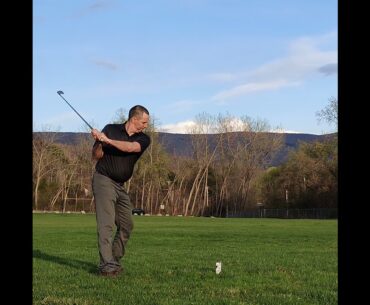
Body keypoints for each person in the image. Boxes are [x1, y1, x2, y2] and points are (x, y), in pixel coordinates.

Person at [90, 105, 150, 276]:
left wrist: (108, 140)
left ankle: (114, 260)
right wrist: (100, 142)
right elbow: (96, 156)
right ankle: (106, 265)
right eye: (144, 122)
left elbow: (130, 148)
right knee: (106, 224)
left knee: (126, 225)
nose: (146, 125)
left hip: (120, 185)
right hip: (103, 179)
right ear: (134, 119)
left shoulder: (144, 139)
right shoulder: (110, 129)